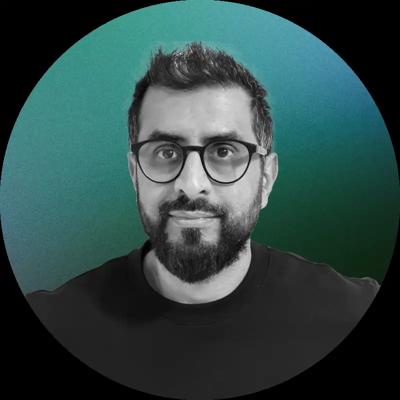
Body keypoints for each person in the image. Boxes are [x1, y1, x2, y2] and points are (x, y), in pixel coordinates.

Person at [26, 42, 380, 399]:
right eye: (166, 151)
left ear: (266, 178)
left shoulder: (352, 314)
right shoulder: (54, 322)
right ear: (135, 174)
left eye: (224, 151)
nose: (191, 184)